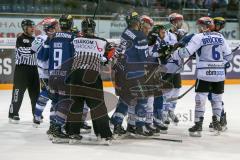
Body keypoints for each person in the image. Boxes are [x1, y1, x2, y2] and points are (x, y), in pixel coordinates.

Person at [169, 17, 232, 137]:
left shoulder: (199, 37)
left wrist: (174, 54)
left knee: (201, 98)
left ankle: (198, 125)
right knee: (217, 99)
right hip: (219, 74)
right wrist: (219, 64)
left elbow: (186, 52)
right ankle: (217, 123)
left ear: (204, 27)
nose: (198, 28)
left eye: (199, 26)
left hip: (205, 74)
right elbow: (228, 56)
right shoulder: (220, 37)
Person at [67, 17, 113, 144]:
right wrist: (106, 56)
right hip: (91, 76)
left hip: (75, 75)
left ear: (82, 29)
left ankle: (72, 134)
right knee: (97, 106)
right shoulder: (102, 41)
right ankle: (103, 135)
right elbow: (106, 59)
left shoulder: (75, 39)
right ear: (94, 28)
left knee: (75, 105)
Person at [111, 12, 153, 137]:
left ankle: (116, 123)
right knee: (143, 98)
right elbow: (144, 58)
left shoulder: (126, 32)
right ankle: (140, 127)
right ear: (136, 22)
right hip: (136, 72)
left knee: (125, 99)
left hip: (123, 71)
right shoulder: (140, 36)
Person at [8, 19, 40, 123]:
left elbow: (39, 54)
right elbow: (22, 51)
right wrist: (33, 49)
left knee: (35, 94)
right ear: (24, 28)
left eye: (33, 26)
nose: (32, 28)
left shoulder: (35, 39)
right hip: (22, 70)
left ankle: (36, 114)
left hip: (34, 70)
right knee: (18, 93)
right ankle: (13, 114)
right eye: (30, 26)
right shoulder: (20, 38)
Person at [31, 17, 58, 126]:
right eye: (55, 26)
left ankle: (53, 118)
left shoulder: (57, 37)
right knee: (46, 93)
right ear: (50, 28)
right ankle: (37, 115)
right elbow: (34, 50)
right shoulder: (41, 38)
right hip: (44, 72)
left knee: (55, 94)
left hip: (55, 71)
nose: (57, 28)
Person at [208, 17, 228, 131]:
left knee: (215, 96)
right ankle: (219, 118)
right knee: (212, 97)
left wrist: (223, 63)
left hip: (218, 71)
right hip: (209, 71)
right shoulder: (209, 35)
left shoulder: (220, 38)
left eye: (217, 24)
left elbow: (227, 55)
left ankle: (221, 119)